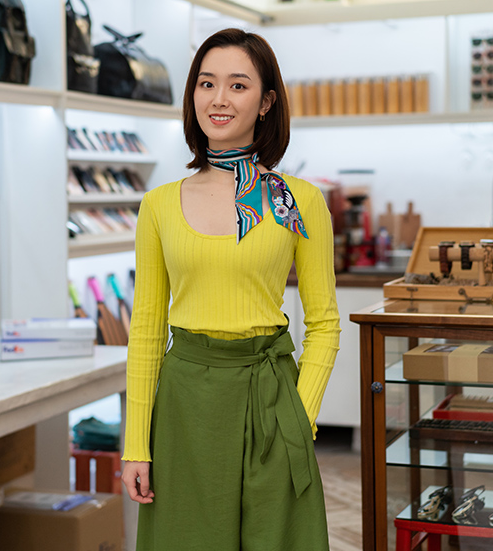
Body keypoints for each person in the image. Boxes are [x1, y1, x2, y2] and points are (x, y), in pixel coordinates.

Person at [121, 28, 341, 550]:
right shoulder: (158, 205)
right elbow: (148, 330)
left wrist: (300, 417)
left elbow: (325, 324)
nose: (218, 99)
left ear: (266, 102)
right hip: (184, 407)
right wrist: (136, 444)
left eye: (238, 86)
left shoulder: (299, 201)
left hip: (271, 402)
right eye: (206, 83)